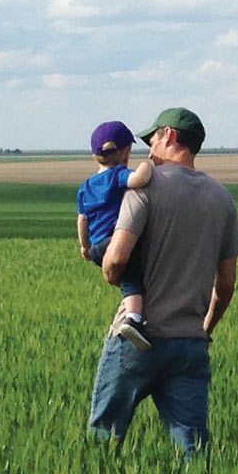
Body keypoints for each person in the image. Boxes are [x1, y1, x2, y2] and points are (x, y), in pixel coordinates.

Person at [88, 107, 238, 459]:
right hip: (189, 342)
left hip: (137, 340)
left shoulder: (146, 187)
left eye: (153, 139)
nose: (149, 149)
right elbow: (228, 284)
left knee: (104, 440)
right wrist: (204, 329)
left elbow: (117, 258)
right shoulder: (223, 198)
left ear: (170, 135)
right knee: (192, 449)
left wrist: (111, 274)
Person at [76, 121, 154, 350]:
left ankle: (134, 315)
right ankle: (134, 320)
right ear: (124, 153)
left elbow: (82, 220)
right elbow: (140, 180)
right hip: (115, 241)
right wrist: (147, 165)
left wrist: (85, 247)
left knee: (126, 279)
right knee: (133, 281)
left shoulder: (86, 186)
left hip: (98, 246)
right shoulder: (117, 175)